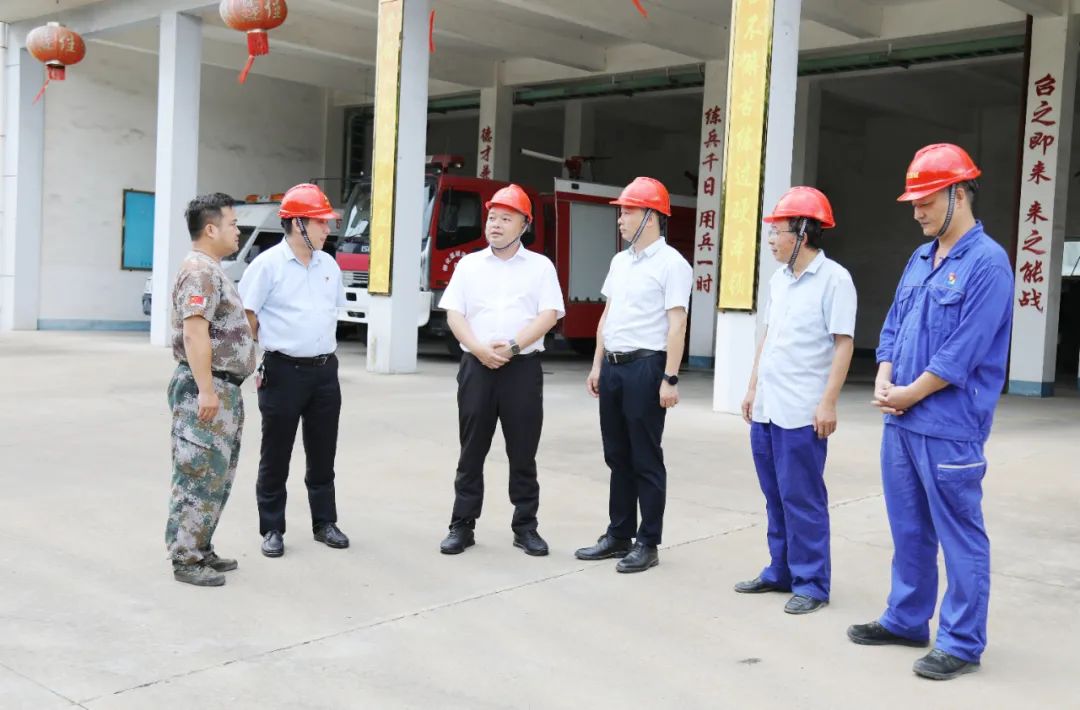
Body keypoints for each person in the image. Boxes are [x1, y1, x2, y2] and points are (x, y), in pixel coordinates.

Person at [847, 143, 1013, 681]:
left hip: (949, 425)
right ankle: (906, 619)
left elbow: (963, 350)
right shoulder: (920, 259)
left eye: (926, 200)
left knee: (960, 533)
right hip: (901, 419)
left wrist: (910, 393)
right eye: (914, 202)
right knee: (909, 528)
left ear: (958, 194)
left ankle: (961, 642)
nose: (916, 211)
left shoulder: (988, 263)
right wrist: (883, 373)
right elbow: (894, 323)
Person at [734, 186, 856, 614]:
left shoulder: (835, 280)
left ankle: (812, 583)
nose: (770, 240)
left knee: (803, 498)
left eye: (777, 232)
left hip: (802, 411)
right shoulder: (779, 280)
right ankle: (780, 570)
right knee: (774, 495)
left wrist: (829, 403)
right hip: (768, 406)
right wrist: (752, 387)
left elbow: (843, 344)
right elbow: (768, 337)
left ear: (802, 232)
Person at [437, 184, 565, 556]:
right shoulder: (469, 265)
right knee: (471, 451)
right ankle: (462, 525)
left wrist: (512, 347)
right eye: (492, 217)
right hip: (476, 368)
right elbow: (454, 314)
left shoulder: (540, 267)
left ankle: (526, 526)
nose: (495, 224)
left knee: (523, 452)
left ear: (524, 224)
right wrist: (479, 349)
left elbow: (549, 315)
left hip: (521, 369)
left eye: (505, 219)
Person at [575, 176, 692, 573]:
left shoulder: (672, 264)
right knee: (617, 455)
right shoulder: (619, 262)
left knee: (645, 457)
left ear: (650, 216)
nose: (620, 219)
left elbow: (677, 324)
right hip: (613, 367)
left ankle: (648, 542)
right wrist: (597, 363)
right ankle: (619, 534)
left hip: (646, 367)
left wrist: (670, 378)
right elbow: (608, 316)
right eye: (621, 212)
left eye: (627, 212)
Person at [237, 183, 350, 558]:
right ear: (298, 223)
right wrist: (266, 349)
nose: (327, 229)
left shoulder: (329, 265)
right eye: (321, 223)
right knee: (276, 453)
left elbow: (329, 312)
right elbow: (248, 315)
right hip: (283, 371)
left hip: (324, 372)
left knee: (323, 452)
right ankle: (272, 527)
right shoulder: (267, 265)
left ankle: (325, 522)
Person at [166, 193, 256, 587]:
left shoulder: (213, 270)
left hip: (223, 386)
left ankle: (201, 547)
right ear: (210, 229)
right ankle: (186, 558)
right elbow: (194, 331)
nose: (238, 231)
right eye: (232, 224)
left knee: (216, 474)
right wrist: (206, 389)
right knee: (198, 472)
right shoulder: (199, 272)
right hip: (206, 387)